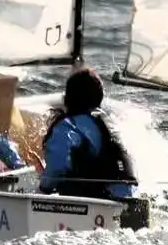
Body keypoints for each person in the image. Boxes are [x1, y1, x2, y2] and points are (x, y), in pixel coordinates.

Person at [39, 69, 137, 201]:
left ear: (68, 98)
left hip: (91, 204)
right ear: (99, 99)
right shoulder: (109, 124)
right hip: (125, 195)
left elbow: (57, 165)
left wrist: (44, 186)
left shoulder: (68, 126)